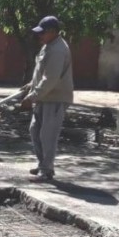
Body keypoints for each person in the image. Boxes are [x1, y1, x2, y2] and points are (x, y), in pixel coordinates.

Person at [21, 16, 74, 182]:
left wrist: (32, 96)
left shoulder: (58, 49)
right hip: (44, 96)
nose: (40, 36)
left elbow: (50, 78)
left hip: (55, 98)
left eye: (42, 33)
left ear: (52, 32)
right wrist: (31, 85)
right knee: (35, 130)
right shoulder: (48, 46)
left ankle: (47, 170)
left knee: (47, 134)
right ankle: (42, 164)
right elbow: (42, 72)